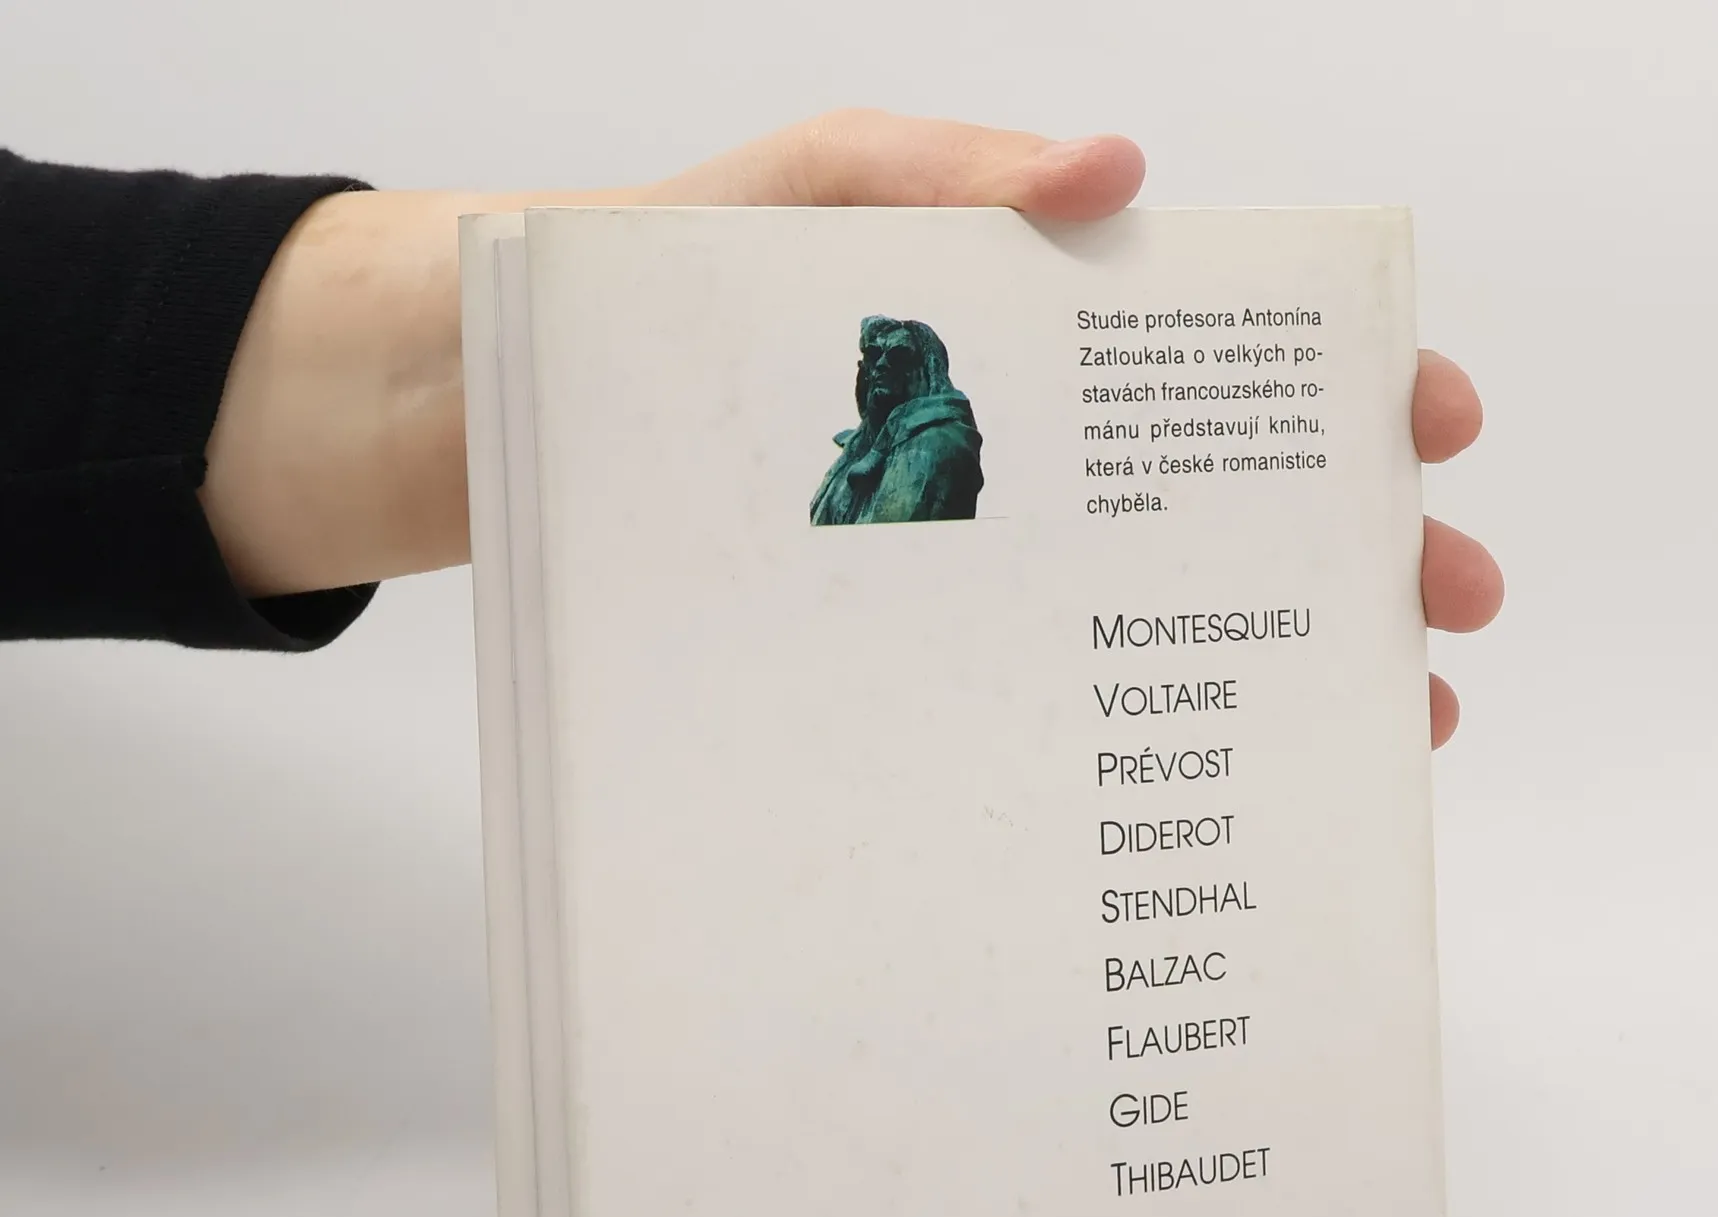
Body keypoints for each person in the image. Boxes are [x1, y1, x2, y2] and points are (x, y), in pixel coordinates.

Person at [0, 111, 1501, 741]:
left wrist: (576, 339)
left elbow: (892, 545)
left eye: (878, 361)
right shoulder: (872, 445)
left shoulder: (938, 437)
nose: (861, 384)